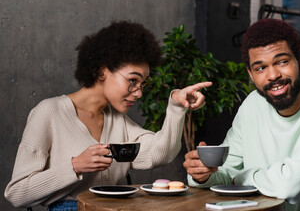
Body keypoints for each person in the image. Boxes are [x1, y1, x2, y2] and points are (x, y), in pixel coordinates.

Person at [4, 20, 212, 210]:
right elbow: (17, 194)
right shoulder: (49, 112)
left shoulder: (118, 121)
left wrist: (176, 105)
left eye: (142, 84)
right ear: (103, 71)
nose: (139, 93)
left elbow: (161, 153)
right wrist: (74, 165)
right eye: (132, 80)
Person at [183, 18, 300, 211]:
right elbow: (226, 173)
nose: (273, 75)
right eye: (260, 68)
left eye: (282, 62)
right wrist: (204, 174)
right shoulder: (253, 104)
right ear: (251, 74)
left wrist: (239, 178)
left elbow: (289, 185)